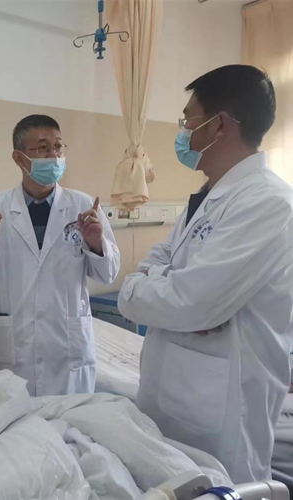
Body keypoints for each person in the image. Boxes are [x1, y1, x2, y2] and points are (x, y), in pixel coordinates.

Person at [118, 65, 293, 483]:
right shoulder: (209, 196)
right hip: (174, 399)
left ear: (220, 126)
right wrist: (160, 288)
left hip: (221, 414)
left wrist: (144, 291)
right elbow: (160, 267)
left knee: (221, 487)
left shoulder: (268, 202)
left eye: (188, 120)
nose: (183, 132)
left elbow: (190, 303)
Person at [0, 115, 120, 396]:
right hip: (13, 352)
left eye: (58, 146)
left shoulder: (82, 206)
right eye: (43, 148)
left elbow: (109, 273)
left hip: (67, 351)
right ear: (19, 158)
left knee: (69, 420)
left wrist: (96, 243)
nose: (54, 155)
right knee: (12, 419)